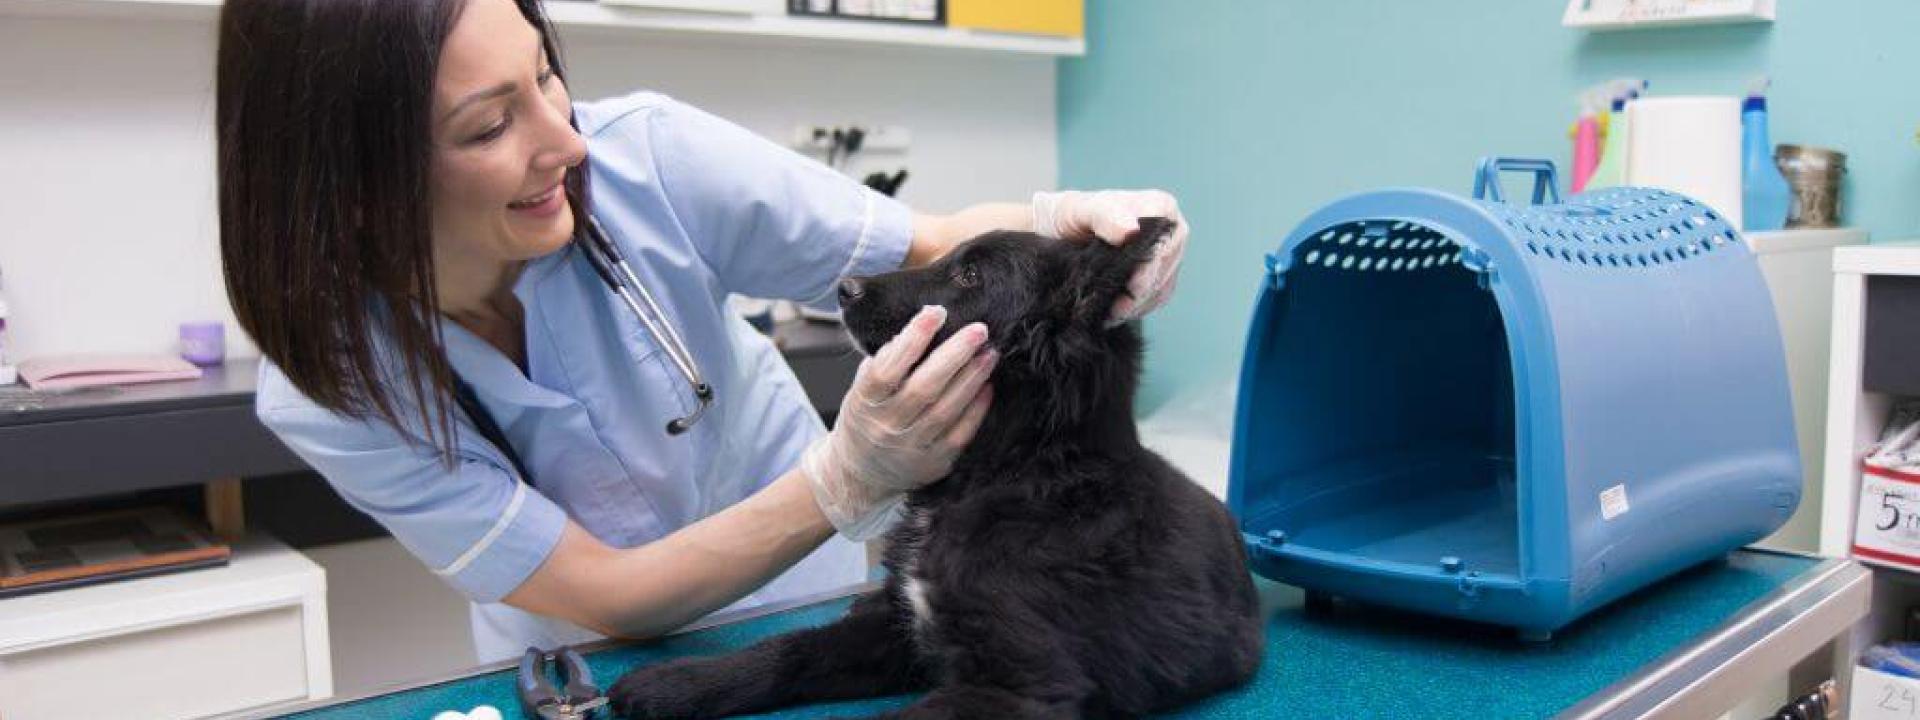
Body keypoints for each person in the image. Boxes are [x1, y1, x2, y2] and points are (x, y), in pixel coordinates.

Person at [215, 0, 1189, 662]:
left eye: (546, 76)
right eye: (486, 126)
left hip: (792, 605)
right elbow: (601, 591)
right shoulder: (328, 386)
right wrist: (847, 476)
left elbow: (926, 244)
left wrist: (1064, 223)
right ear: (350, 191)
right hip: (578, 654)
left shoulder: (652, 161)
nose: (566, 142)